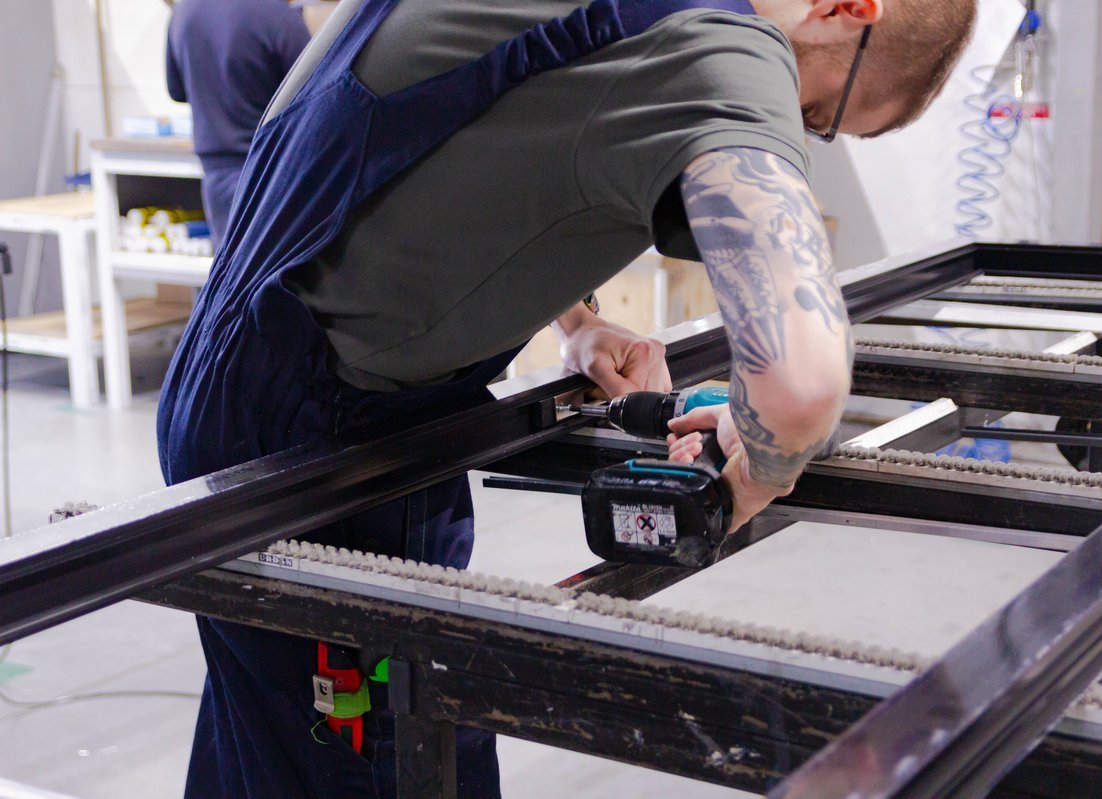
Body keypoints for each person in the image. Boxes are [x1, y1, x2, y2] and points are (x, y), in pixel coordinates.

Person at [157, 0, 977, 795]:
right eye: (817, 112)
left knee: (272, 736)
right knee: (387, 749)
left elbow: (487, 112)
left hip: (235, 379)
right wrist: (758, 465)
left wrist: (575, 319)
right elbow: (800, 384)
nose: (795, 124)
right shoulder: (730, 45)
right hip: (327, 434)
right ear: (846, 8)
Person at [165, 0, 311, 246]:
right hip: (272, 175)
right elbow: (317, 95)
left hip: (216, 177)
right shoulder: (276, 15)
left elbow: (177, 91)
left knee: (230, 264)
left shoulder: (183, 12)